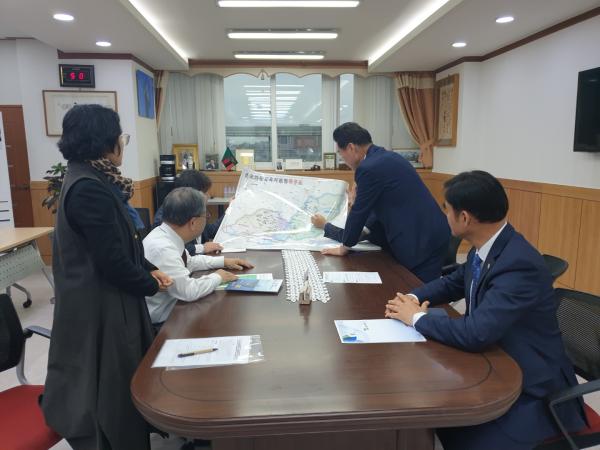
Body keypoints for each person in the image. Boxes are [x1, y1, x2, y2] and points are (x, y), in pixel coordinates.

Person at [385, 170, 586, 450]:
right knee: (433, 411)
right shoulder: (488, 246)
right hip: (496, 355)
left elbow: (476, 333)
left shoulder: (518, 263)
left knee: (450, 429)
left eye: (447, 209)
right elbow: (453, 283)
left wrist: (416, 317)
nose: (445, 215)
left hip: (532, 388)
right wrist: (410, 297)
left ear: (465, 218)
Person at [42, 104, 172, 450]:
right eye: (121, 137)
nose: (122, 144)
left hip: (105, 298)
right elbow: (111, 261)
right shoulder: (89, 188)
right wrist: (151, 284)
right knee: (112, 388)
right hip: (100, 308)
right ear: (106, 142)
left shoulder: (89, 177)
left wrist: (149, 268)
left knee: (121, 381)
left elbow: (122, 243)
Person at [319, 122, 450, 282]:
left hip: (420, 240)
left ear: (351, 148)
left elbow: (360, 213)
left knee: (416, 289)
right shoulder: (388, 157)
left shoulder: (368, 168)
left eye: (341, 154)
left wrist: (344, 247)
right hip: (433, 231)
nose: (343, 159)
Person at [144, 187, 253, 327]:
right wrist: (218, 277)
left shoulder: (167, 235)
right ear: (193, 222)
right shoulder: (163, 249)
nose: (207, 219)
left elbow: (189, 262)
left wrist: (223, 262)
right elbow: (188, 291)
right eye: (206, 216)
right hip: (164, 322)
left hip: (176, 307)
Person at [154, 170, 224, 255]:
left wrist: (230, 210)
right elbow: (176, 249)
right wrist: (202, 248)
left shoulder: (194, 208)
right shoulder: (166, 216)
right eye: (205, 192)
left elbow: (210, 231)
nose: (208, 196)